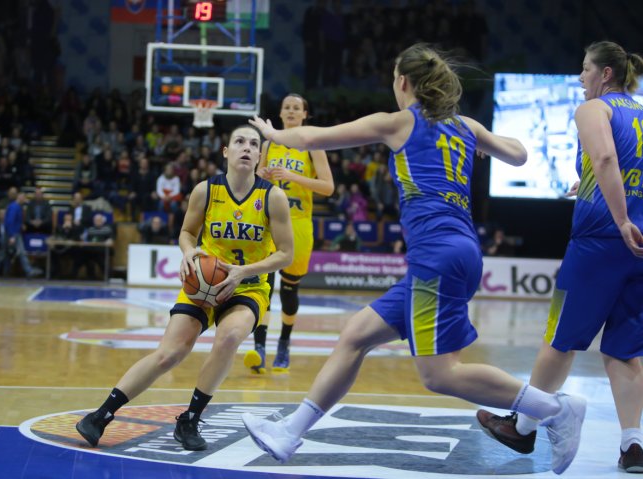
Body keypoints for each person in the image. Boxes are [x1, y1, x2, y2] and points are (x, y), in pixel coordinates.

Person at [243, 43, 587, 475]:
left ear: (403, 81)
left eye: (393, 76)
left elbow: (313, 136)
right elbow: (518, 153)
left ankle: (554, 408)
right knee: (355, 335)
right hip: (456, 251)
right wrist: (482, 142)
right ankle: (289, 432)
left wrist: (271, 134)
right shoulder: (463, 124)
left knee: (439, 375)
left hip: (438, 256)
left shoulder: (398, 122)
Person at [477, 41, 643, 473]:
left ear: (605, 74)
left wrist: (621, 218)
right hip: (640, 248)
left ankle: (524, 427)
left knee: (558, 337)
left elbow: (605, 157)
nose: (579, 76)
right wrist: (590, 185)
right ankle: (633, 445)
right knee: (625, 351)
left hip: (598, 242)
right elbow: (616, 167)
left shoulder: (593, 110)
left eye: (585, 68)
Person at [75, 125, 293, 451]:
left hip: (248, 286)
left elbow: (285, 254)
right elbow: (187, 233)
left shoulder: (272, 196)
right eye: (239, 142)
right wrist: (190, 253)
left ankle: (190, 420)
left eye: (253, 144)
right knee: (170, 353)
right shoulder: (206, 190)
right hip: (203, 284)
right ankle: (101, 415)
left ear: (259, 155)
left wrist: (242, 271)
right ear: (226, 151)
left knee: (230, 336)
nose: (246, 148)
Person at [243, 93, 334, 374]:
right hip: (269, 222)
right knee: (264, 286)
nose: (292, 111)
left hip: (299, 222)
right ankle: (259, 348)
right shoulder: (269, 144)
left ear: (305, 114)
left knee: (289, 288)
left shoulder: (312, 146)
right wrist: (263, 177)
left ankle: (284, 342)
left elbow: (328, 187)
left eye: (297, 108)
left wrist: (292, 176)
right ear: (280, 114)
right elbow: (253, 181)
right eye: (287, 107)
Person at [0, 192, 42, 279]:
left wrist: (21, 225)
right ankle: (29, 271)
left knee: (2, 253)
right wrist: (12, 236)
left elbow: (14, 221)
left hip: (12, 232)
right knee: (21, 252)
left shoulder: (16, 206)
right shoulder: (14, 207)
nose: (24, 200)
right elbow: (9, 221)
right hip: (13, 233)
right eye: (24, 198)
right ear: (19, 197)